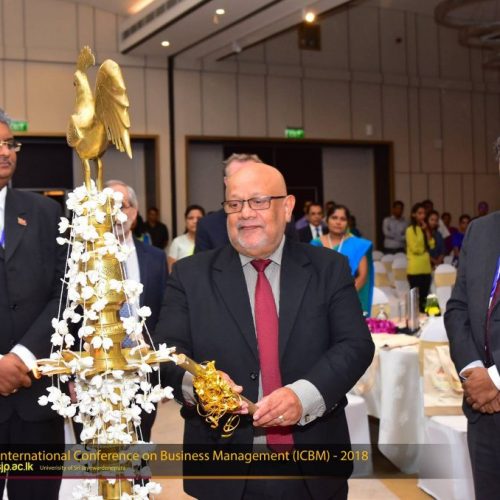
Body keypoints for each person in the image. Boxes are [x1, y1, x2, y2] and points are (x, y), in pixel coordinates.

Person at [155, 163, 374, 500]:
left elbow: (355, 344)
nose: (245, 213)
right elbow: (167, 353)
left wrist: (303, 396)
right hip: (221, 462)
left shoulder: (328, 268)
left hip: (313, 460)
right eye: (234, 204)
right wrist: (203, 384)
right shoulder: (190, 275)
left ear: (286, 207)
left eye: (258, 201)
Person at [0, 108, 66, 499]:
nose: (5, 152)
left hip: (36, 395)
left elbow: (65, 293)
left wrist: (22, 357)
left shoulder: (45, 212)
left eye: (10, 143)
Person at [444, 140, 500, 499]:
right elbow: (457, 308)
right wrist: (473, 369)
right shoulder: (481, 231)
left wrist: (496, 379)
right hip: (484, 411)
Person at [105, 180, 168, 441]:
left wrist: (162, 371)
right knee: (101, 450)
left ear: (135, 211)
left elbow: (164, 312)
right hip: (99, 369)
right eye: (109, 206)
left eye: (123, 206)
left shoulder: (155, 258)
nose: (117, 213)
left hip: (143, 368)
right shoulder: (83, 257)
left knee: (139, 441)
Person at [194, 153, 297, 252]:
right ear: (226, 182)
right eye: (236, 177)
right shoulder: (207, 225)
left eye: (251, 177)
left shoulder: (281, 217)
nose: (246, 214)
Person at [312, 205, 374, 316]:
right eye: (334, 218)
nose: (338, 222)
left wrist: (342, 298)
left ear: (348, 223)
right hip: (321, 303)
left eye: (343, 219)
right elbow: (311, 277)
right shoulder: (315, 244)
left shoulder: (358, 245)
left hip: (349, 301)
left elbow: (362, 277)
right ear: (326, 220)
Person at [406, 202, 434, 312]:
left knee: (425, 298)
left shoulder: (425, 228)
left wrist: (426, 230)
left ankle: (426, 319)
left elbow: (432, 244)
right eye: (419, 213)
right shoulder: (410, 230)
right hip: (414, 269)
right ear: (413, 215)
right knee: (415, 300)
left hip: (426, 267)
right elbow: (415, 249)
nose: (422, 216)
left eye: (424, 213)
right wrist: (424, 250)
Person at [168, 204, 205, 272]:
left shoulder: (208, 241)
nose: (195, 221)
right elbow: (171, 270)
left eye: (199, 218)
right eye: (191, 218)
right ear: (185, 221)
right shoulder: (177, 242)